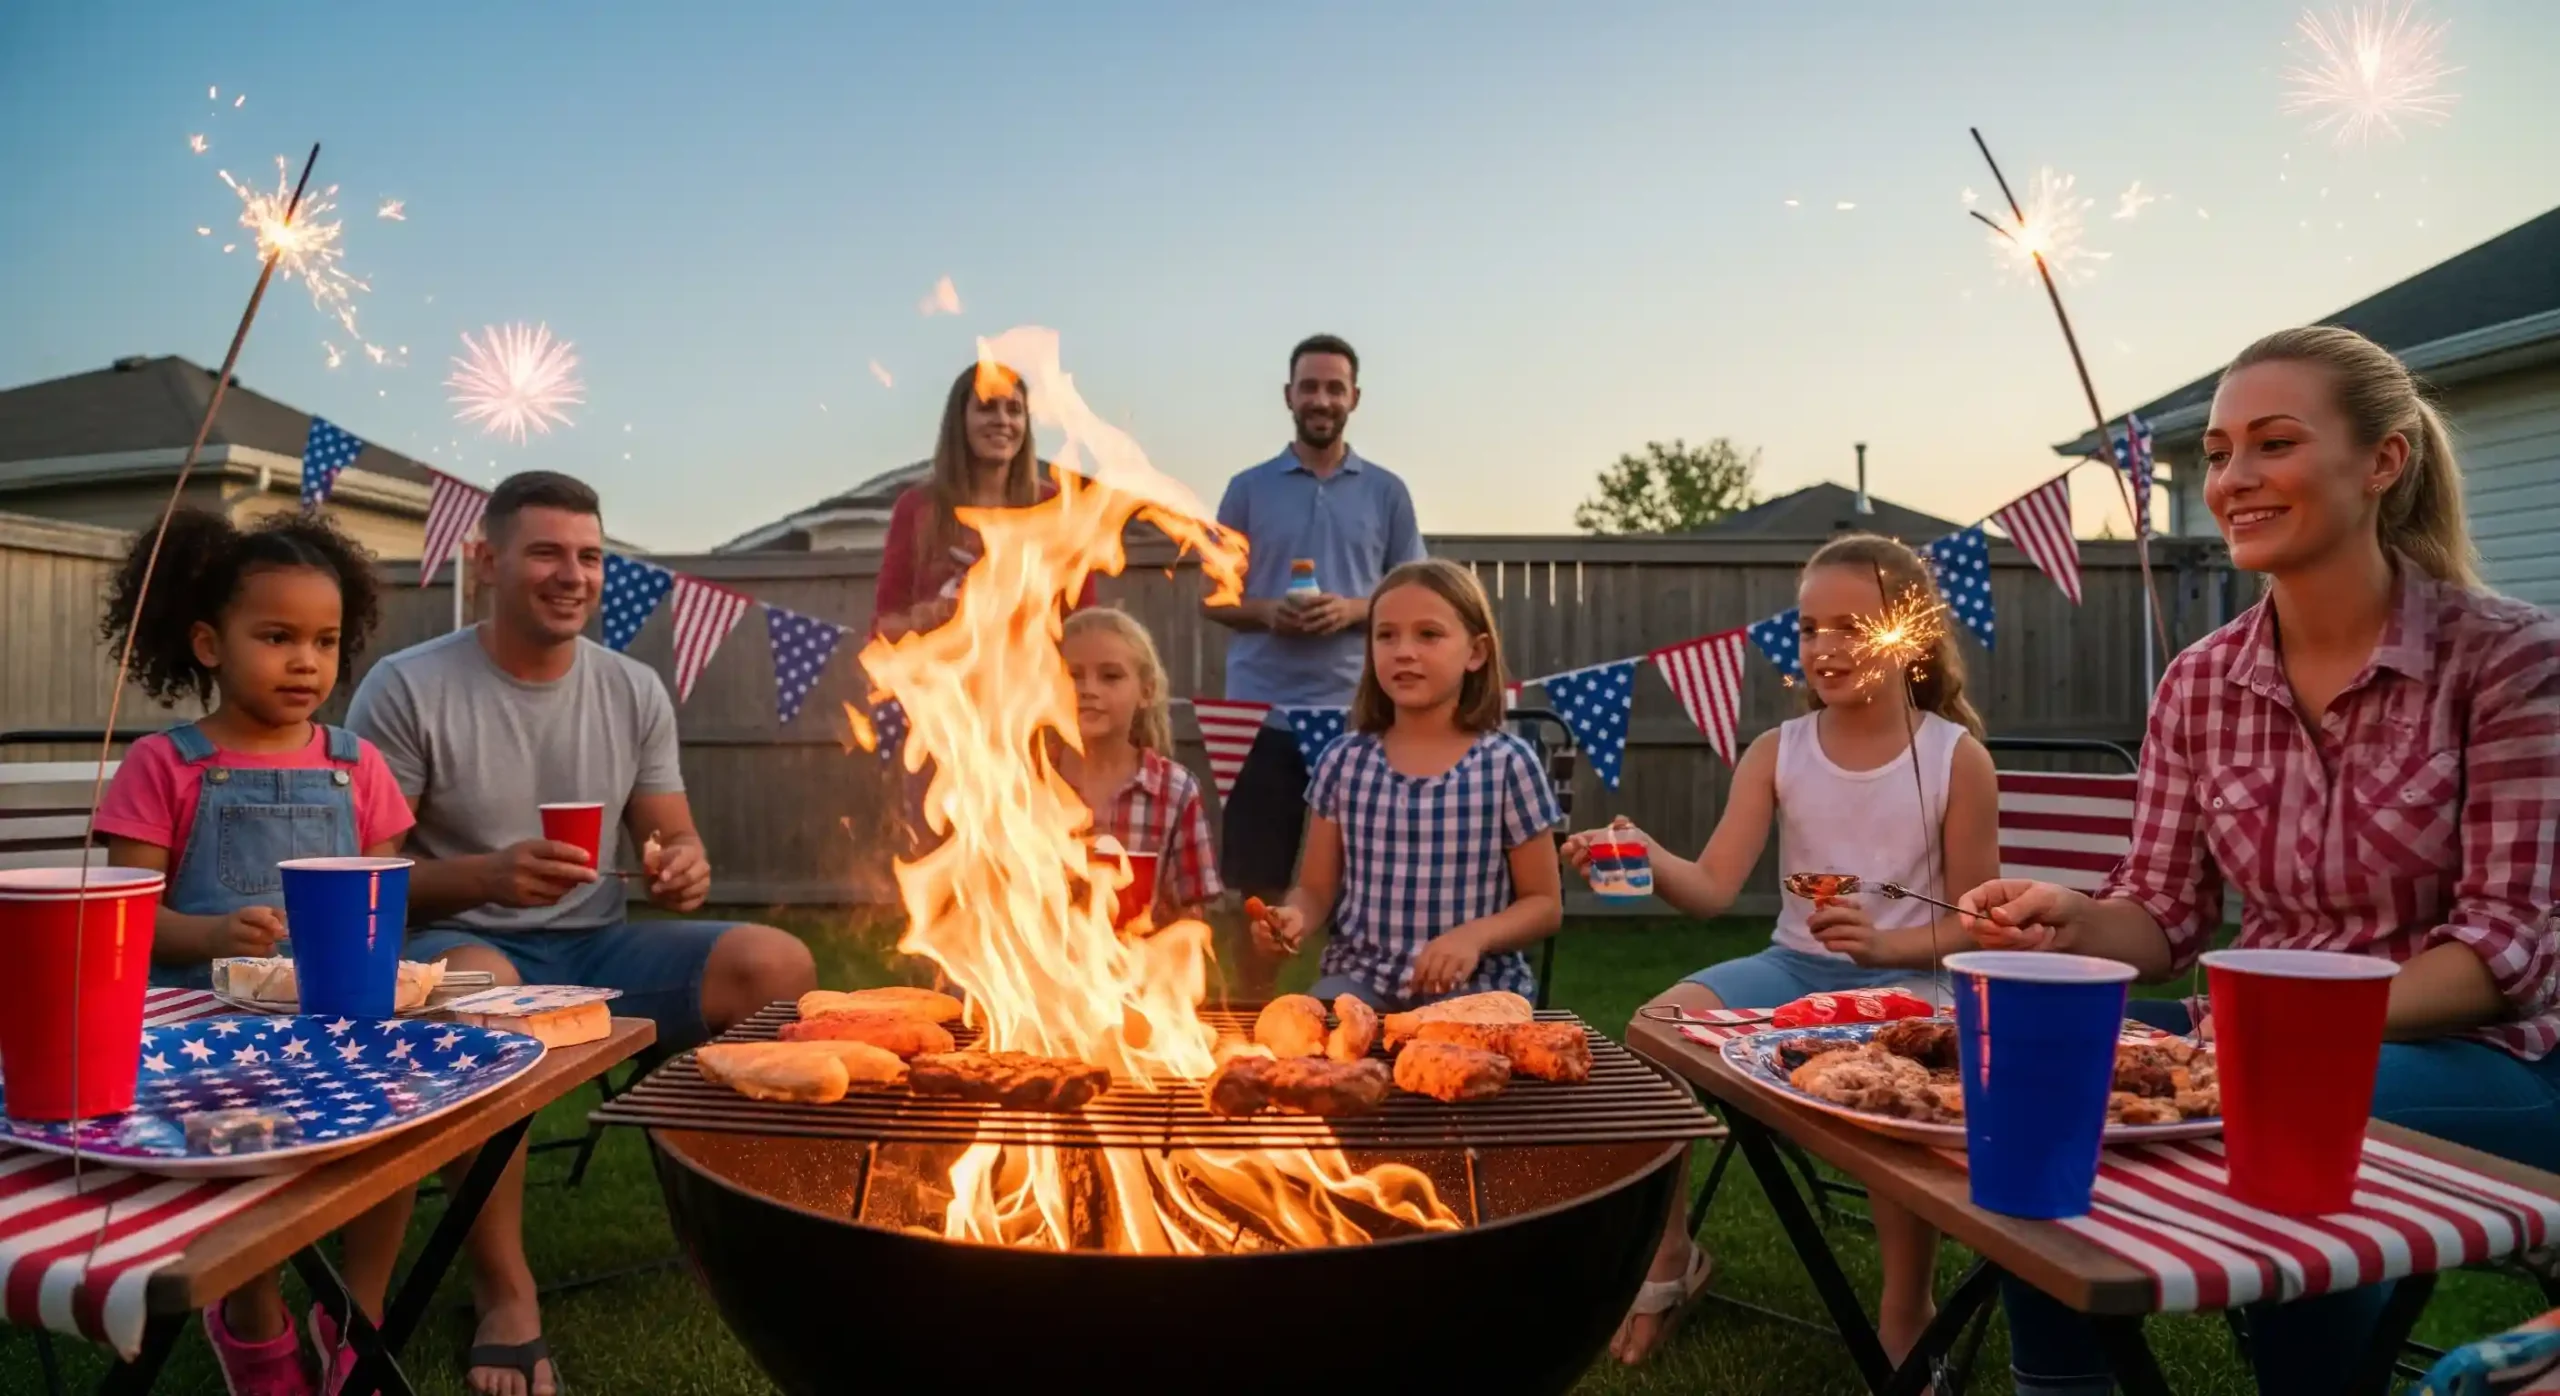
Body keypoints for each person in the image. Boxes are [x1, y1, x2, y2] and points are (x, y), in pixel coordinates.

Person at [1957, 326, 2560, 1396]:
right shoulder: (2199, 681)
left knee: (2283, 1123)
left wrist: (2265, 1042)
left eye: (2271, 444)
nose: (2233, 479)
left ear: (2383, 462)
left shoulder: (2508, 660)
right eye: (2222, 452)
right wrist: (2068, 914)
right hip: (2251, 1050)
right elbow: (2160, 916)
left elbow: (2502, 954)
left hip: (2497, 1057)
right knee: (2042, 1088)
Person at [346, 470, 816, 1396]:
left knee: (780, 965)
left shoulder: (632, 689)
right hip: (460, 945)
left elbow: (669, 831)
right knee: (488, 991)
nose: (574, 574)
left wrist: (684, 865)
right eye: (549, 552)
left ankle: (738, 1226)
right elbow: (368, 886)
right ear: (487, 562)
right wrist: (484, 877)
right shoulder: (406, 687)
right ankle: (504, 1290)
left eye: (591, 556)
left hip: (598, 948)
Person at [1583, 531, 2001, 1367]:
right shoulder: (1780, 752)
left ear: (1909, 635)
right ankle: (1672, 1252)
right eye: (1810, 629)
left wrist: (1887, 943)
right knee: (1654, 1031)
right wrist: (1642, 853)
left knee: (1895, 1085)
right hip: (1790, 970)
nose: (1824, 647)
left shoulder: (1957, 759)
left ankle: (1906, 1310)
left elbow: (1975, 923)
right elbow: (1709, 886)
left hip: (1910, 983)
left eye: (1850, 625)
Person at [91, 509, 414, 1396]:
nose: (305, 661)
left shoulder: (359, 765)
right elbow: (129, 916)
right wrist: (211, 934)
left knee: (405, 1121)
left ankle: (358, 1309)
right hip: (205, 1024)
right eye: (276, 637)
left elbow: (386, 897)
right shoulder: (168, 765)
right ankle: (255, 1312)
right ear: (209, 643)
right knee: (246, 1139)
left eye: (324, 640)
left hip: (336, 1011)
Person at [1251, 559, 1563, 1009]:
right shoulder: (1343, 761)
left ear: (1475, 653)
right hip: (1359, 983)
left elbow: (1544, 904)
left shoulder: (1508, 765)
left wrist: (1474, 937)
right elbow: (1316, 889)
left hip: (1473, 987)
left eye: (1429, 634)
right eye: (1386, 635)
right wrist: (1294, 918)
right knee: (1310, 1052)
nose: (1403, 651)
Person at [1204, 334, 1428, 956]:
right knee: (1256, 881)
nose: (1321, 399)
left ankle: (1358, 998)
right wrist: (1269, 611)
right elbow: (1213, 597)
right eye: (1310, 387)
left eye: (1334, 387)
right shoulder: (1247, 489)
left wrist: (1357, 609)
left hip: (1361, 718)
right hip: (1260, 719)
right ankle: (1249, 1017)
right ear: (1288, 396)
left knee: (1367, 884)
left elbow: (1417, 594)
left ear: (1354, 397)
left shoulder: (1387, 492)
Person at [871, 360, 1096, 640]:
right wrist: (928, 617)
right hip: (940, 678)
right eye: (987, 407)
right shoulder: (917, 507)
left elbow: (1084, 622)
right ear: (960, 419)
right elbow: (884, 625)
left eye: (1014, 410)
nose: (1002, 420)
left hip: (1030, 679)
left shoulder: (1055, 507)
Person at [1056, 608, 1221, 923]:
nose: (1087, 689)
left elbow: (1192, 912)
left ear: (1145, 692)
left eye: (1111, 676)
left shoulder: (1175, 791)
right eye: (1073, 675)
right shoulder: (1023, 783)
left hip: (1140, 964)